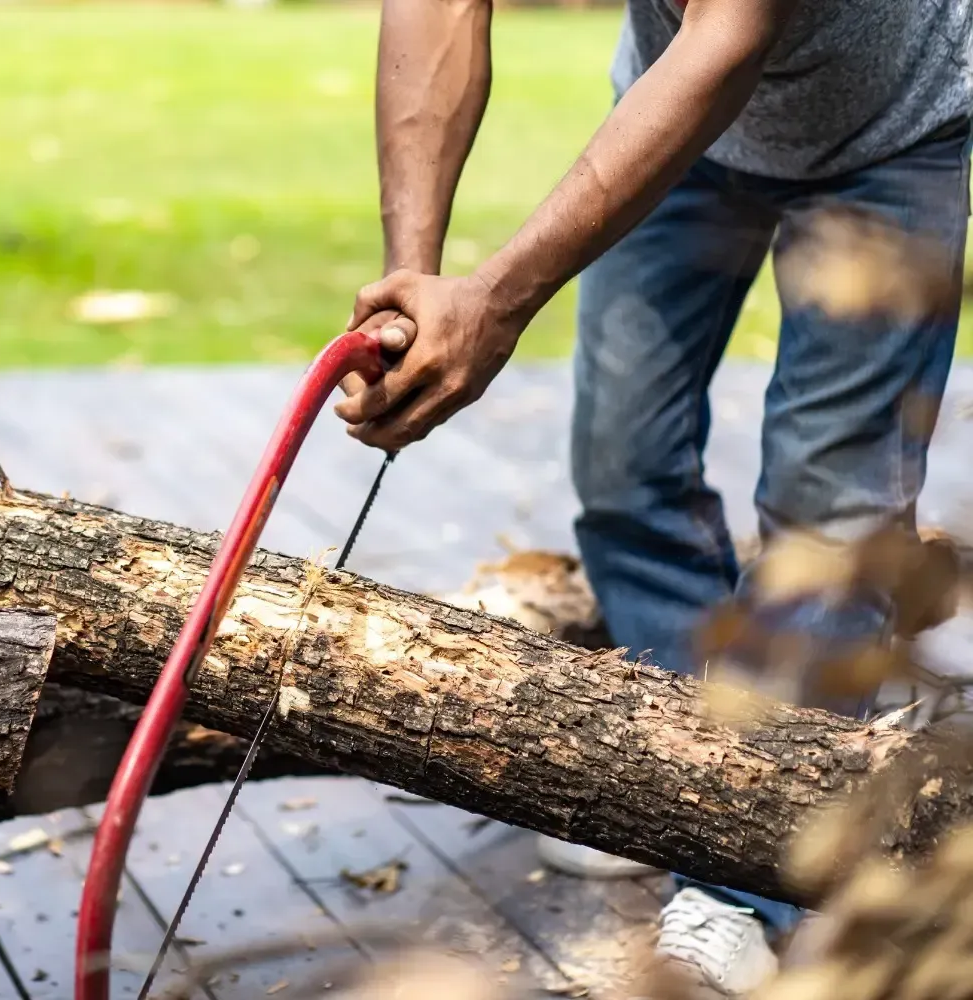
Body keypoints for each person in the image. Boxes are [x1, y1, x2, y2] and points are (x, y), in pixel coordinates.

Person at [332, 0, 971, 995]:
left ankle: (745, 872)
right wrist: (411, 278)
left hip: (893, 130)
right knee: (624, 465)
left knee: (830, 505)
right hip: (676, 110)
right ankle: (666, 782)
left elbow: (729, 32)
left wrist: (494, 304)